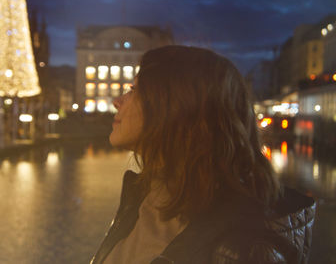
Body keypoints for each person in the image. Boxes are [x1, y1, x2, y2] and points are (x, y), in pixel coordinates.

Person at [91, 45, 316, 264]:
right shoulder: (146, 196)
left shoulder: (246, 247)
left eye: (135, 90)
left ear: (175, 109)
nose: (117, 101)